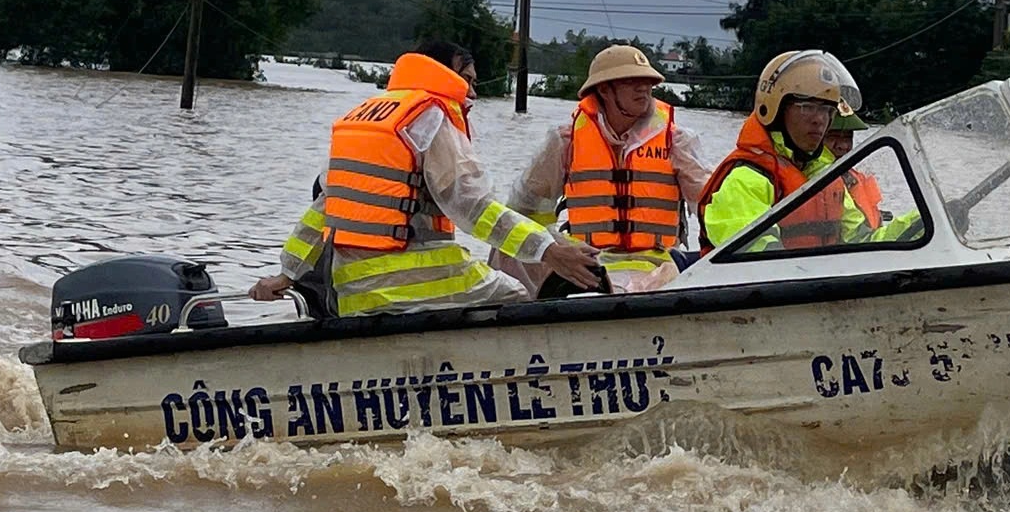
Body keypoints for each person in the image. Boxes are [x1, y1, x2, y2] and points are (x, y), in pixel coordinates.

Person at [253, 40, 601, 316]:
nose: (474, 94)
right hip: (408, 284)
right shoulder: (430, 117)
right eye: (468, 81)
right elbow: (475, 210)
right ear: (444, 74)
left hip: (351, 293)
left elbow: (323, 207)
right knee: (514, 294)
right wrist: (549, 251)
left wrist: (287, 273)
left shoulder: (367, 116)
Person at [507, 45, 714, 293]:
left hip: (658, 268)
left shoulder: (677, 141)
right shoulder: (566, 141)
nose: (644, 87)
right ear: (604, 89)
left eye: (648, 80)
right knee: (507, 244)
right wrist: (557, 250)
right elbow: (524, 211)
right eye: (631, 80)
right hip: (588, 266)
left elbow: (710, 207)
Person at [697, 49, 871, 252]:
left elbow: (865, 242)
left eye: (827, 110)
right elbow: (762, 263)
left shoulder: (827, 176)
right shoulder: (745, 181)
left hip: (818, 281)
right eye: (807, 107)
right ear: (776, 109)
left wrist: (914, 225)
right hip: (769, 283)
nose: (819, 120)